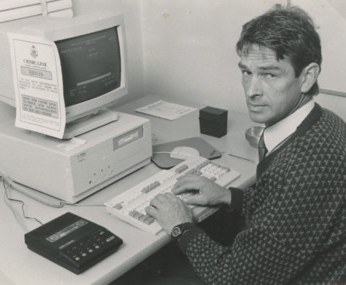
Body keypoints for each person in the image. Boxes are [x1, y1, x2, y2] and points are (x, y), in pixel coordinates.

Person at [145, 4, 346, 285]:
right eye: (246, 72)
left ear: (307, 77)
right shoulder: (325, 121)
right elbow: (286, 211)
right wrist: (230, 196)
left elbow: (233, 279)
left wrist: (181, 227)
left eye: (269, 74)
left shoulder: (301, 169)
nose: (251, 91)